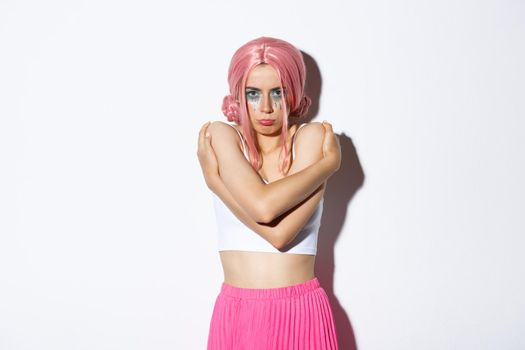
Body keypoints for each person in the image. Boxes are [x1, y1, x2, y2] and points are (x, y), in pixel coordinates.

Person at [197, 36, 341, 349]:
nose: (266, 107)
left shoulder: (312, 137)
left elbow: (280, 235)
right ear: (237, 94)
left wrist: (216, 182)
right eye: (253, 93)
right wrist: (326, 168)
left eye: (278, 92)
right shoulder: (221, 135)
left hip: (300, 311)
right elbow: (265, 209)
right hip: (236, 312)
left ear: (295, 91)